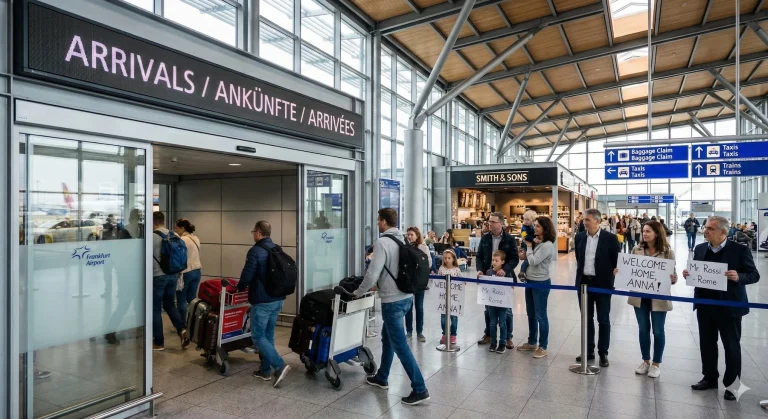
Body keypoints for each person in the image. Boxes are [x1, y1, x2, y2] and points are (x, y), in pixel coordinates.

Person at [356, 208, 430, 406]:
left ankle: (420, 388)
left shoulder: (382, 243)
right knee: (387, 338)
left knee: (400, 345)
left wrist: (357, 292)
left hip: (392, 300)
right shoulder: (404, 240)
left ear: (383, 222)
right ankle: (382, 377)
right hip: (407, 297)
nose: (377, 223)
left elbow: (372, 274)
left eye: (378, 220)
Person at [684, 216, 760, 400]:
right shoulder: (701, 248)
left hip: (729, 306)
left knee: (731, 346)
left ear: (723, 232)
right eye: (706, 228)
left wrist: (738, 277)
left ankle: (733, 385)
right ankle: (709, 377)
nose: (706, 231)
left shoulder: (739, 250)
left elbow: (754, 275)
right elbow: (698, 275)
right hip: (705, 305)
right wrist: (689, 274)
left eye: (710, 228)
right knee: (707, 344)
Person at [619, 221, 677, 378]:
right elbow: (630, 271)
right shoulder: (636, 250)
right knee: (643, 329)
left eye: (648, 231)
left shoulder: (667, 252)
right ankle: (645, 361)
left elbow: (674, 276)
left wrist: (672, 278)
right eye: (643, 231)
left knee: (658, 331)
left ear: (657, 233)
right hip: (640, 297)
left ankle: (656, 363)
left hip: (659, 298)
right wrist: (621, 271)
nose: (644, 234)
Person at [236, 221, 291, 387]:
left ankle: (279, 366)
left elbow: (247, 275)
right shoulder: (276, 248)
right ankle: (265, 370)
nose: (253, 234)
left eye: (253, 231)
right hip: (278, 299)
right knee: (268, 335)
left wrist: (239, 287)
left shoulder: (256, 251)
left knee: (258, 336)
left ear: (258, 233)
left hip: (263, 300)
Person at [574, 208, 619, 367]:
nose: (584, 222)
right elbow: (579, 259)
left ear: (597, 221)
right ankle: (588, 350)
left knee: (603, 319)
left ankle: (603, 352)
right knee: (586, 319)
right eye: (584, 220)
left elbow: (617, 262)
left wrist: (614, 273)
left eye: (587, 220)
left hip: (603, 284)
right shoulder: (579, 237)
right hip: (584, 283)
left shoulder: (611, 238)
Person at [475, 212, 519, 348]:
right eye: (489, 222)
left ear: (501, 223)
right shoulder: (485, 238)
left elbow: (515, 258)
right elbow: (479, 256)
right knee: (489, 308)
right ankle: (488, 334)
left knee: (507, 310)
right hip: (488, 276)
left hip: (505, 278)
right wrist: (480, 269)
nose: (490, 224)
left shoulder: (510, 240)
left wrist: (504, 269)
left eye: (493, 222)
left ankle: (508, 337)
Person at [517, 216, 556, 359]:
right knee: (531, 313)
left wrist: (528, 248)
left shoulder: (547, 245)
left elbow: (533, 261)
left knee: (541, 315)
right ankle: (532, 341)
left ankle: (543, 346)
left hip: (540, 283)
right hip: (530, 281)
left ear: (545, 228)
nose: (535, 228)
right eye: (534, 225)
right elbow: (529, 257)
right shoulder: (538, 242)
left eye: (538, 226)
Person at [151, 212, 186, 351]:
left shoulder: (152, 237)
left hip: (157, 276)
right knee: (170, 305)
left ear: (153, 222)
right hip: (172, 275)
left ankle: (159, 342)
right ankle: (182, 329)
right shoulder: (175, 235)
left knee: (155, 309)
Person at [175, 218, 202, 347]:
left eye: (177, 228)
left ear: (182, 228)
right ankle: (193, 324)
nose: (175, 230)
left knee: (181, 299)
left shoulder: (182, 240)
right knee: (191, 299)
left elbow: (180, 257)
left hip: (186, 272)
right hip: (197, 271)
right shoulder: (196, 238)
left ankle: (182, 326)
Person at [405, 226, 430, 342]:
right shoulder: (405, 247)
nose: (409, 237)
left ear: (417, 236)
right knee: (408, 307)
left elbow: (428, 262)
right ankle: (409, 331)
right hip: (409, 281)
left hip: (419, 281)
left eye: (412, 235)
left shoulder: (423, 247)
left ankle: (419, 332)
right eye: (408, 234)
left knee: (419, 307)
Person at [485, 250, 509, 354]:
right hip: (491, 302)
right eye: (493, 260)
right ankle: (493, 342)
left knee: (502, 323)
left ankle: (503, 342)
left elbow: (513, 284)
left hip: (503, 303)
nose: (494, 262)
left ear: (502, 261)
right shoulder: (489, 272)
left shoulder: (507, 272)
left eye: (496, 260)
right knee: (492, 323)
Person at [438, 249, 461, 345]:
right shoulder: (441, 269)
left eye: (449, 258)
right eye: (445, 258)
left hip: (454, 299)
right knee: (443, 318)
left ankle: (453, 335)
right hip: (443, 299)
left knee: (454, 318)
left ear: (453, 259)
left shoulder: (457, 270)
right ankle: (444, 333)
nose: (447, 260)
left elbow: (460, 282)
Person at [517, 210, 537, 281]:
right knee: (527, 259)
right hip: (525, 246)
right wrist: (533, 239)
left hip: (530, 246)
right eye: (524, 219)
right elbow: (524, 236)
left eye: (528, 220)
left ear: (533, 220)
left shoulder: (532, 226)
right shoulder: (524, 227)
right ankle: (522, 272)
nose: (525, 221)